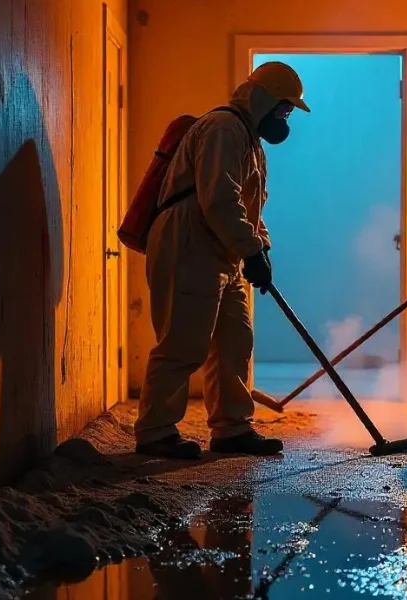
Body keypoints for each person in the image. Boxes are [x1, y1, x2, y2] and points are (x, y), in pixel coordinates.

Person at [135, 61, 310, 458]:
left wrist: (259, 247)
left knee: (235, 341)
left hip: (223, 250)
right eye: (285, 107)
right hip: (189, 244)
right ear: (265, 99)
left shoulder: (250, 142)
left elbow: (250, 207)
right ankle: (155, 431)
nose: (286, 117)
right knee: (184, 341)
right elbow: (218, 199)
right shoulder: (223, 129)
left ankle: (232, 427)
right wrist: (250, 248)